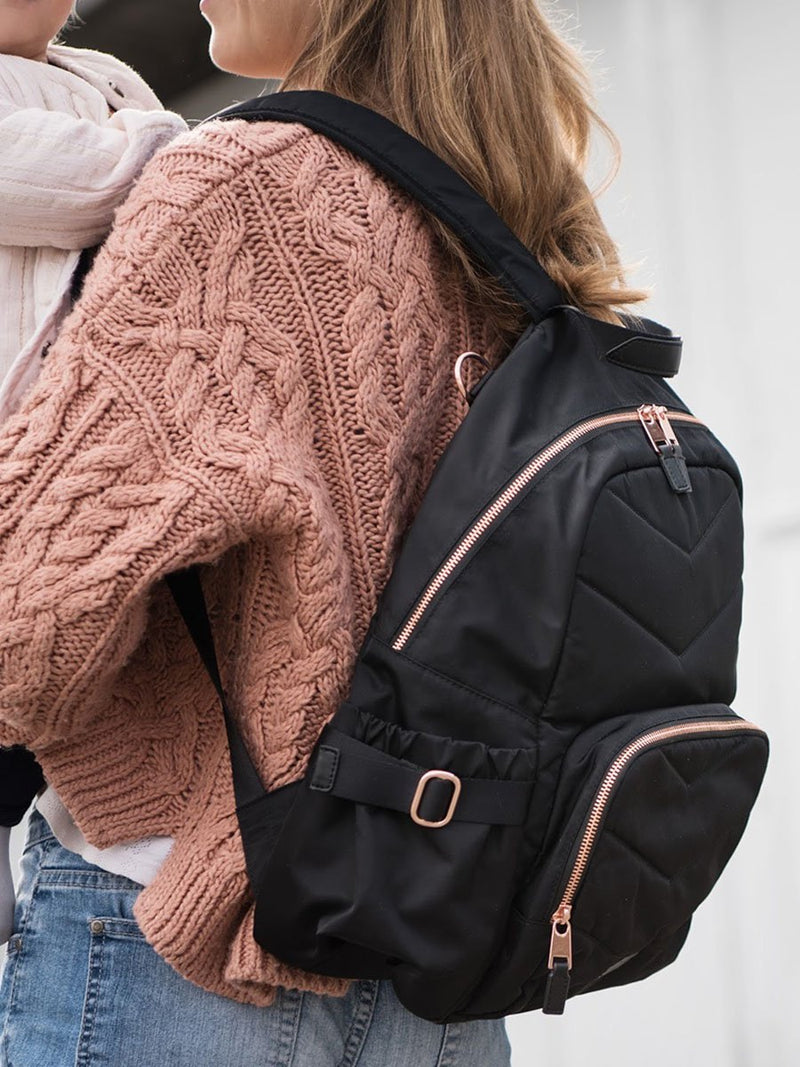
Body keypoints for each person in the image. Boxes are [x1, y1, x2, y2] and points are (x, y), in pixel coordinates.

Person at [0, 1, 645, 1063]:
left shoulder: (238, 190)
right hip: (437, 940)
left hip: (180, 916)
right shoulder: (515, 220)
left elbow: (31, 613)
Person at [0, 0, 187, 948]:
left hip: (94, 442)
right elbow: (105, 182)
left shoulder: (106, 77)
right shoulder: (125, 112)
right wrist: (163, 145)